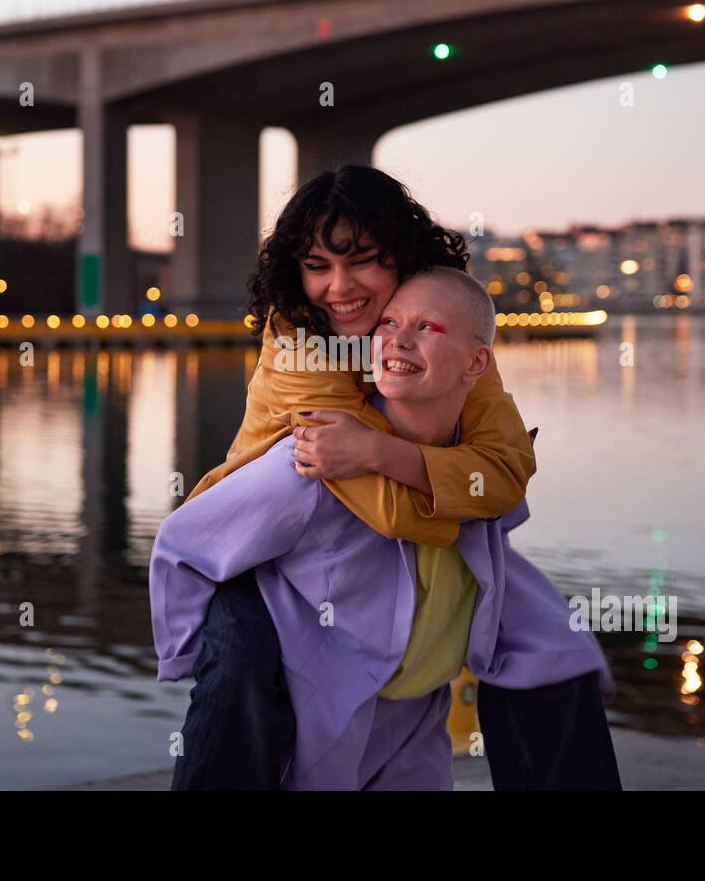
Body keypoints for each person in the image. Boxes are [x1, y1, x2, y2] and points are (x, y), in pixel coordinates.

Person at [151, 268, 621, 790]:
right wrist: (199, 654)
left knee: (559, 660)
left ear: (477, 363)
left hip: (414, 721)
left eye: (427, 327)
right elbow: (186, 541)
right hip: (321, 719)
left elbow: (501, 506)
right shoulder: (313, 460)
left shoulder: (477, 469)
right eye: (390, 323)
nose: (398, 338)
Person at [167, 165, 536, 789]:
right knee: (240, 680)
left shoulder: (448, 329)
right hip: (265, 559)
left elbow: (507, 476)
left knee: (549, 649)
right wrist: (468, 502)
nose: (339, 288)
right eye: (317, 265)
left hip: (375, 574)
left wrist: (379, 452)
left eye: (362, 261)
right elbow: (394, 511)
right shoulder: (299, 345)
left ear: (404, 258)